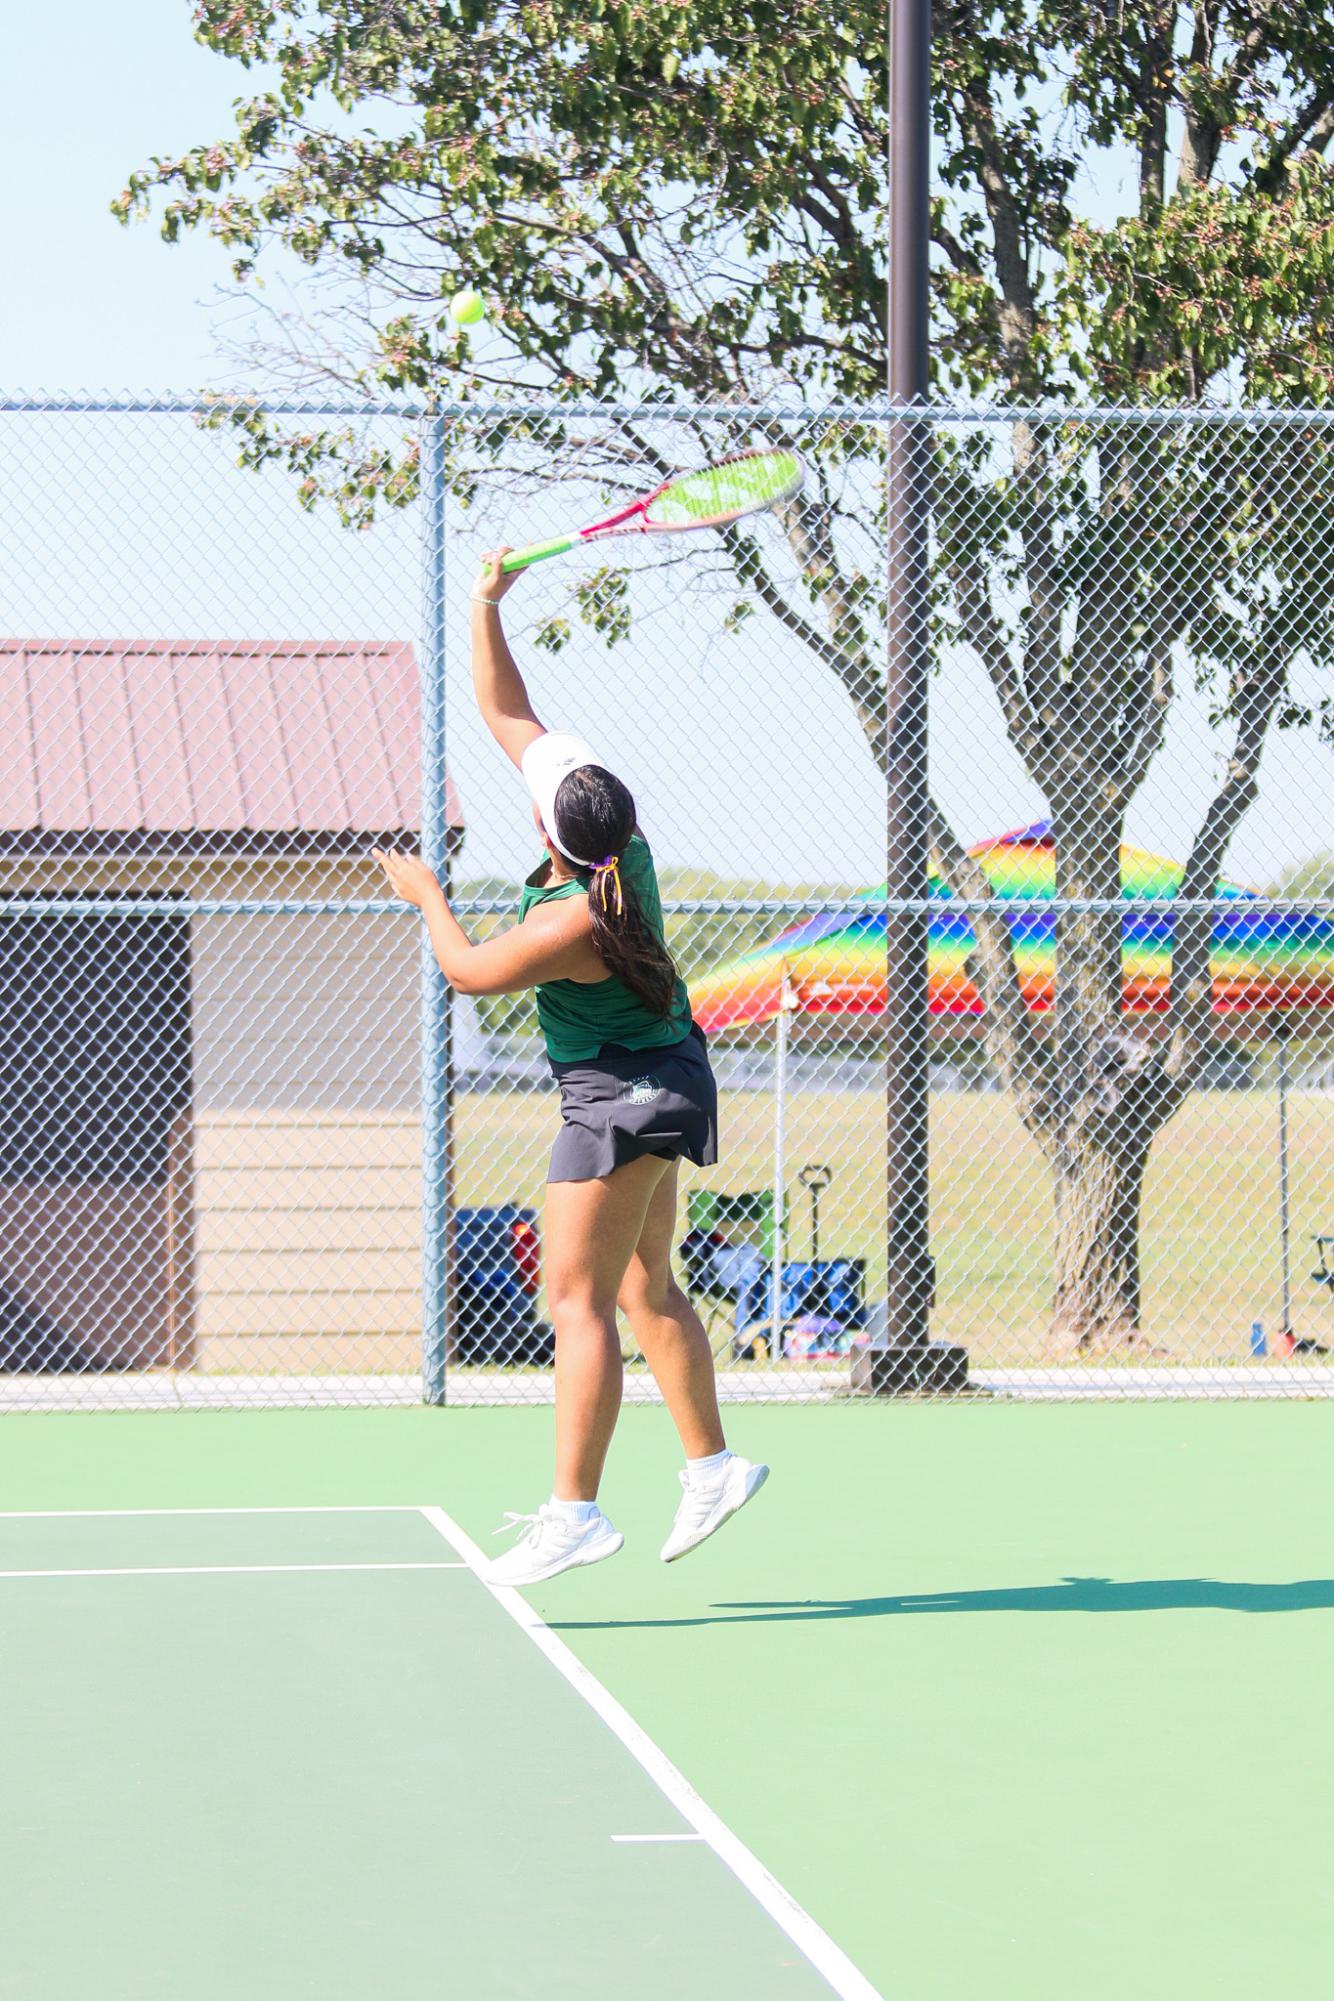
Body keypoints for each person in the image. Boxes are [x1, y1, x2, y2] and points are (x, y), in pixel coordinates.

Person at [374, 548, 768, 1587]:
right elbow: (510, 715)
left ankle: (575, 1514)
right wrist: (486, 603)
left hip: (617, 1099)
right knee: (643, 1283)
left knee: (574, 1302)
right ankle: (713, 1465)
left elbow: (463, 971)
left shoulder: (567, 919)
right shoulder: (616, 834)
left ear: (547, 829)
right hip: (669, 1074)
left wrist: (426, 894)